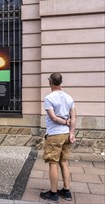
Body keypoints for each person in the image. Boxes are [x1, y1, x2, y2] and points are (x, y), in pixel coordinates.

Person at [40, 72, 76, 203]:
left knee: (53, 163)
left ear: (49, 81)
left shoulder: (49, 98)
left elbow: (53, 118)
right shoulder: (69, 97)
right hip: (66, 135)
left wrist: (65, 122)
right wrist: (71, 133)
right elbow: (74, 116)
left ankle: (53, 193)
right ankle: (66, 191)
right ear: (61, 82)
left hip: (54, 135)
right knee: (64, 162)